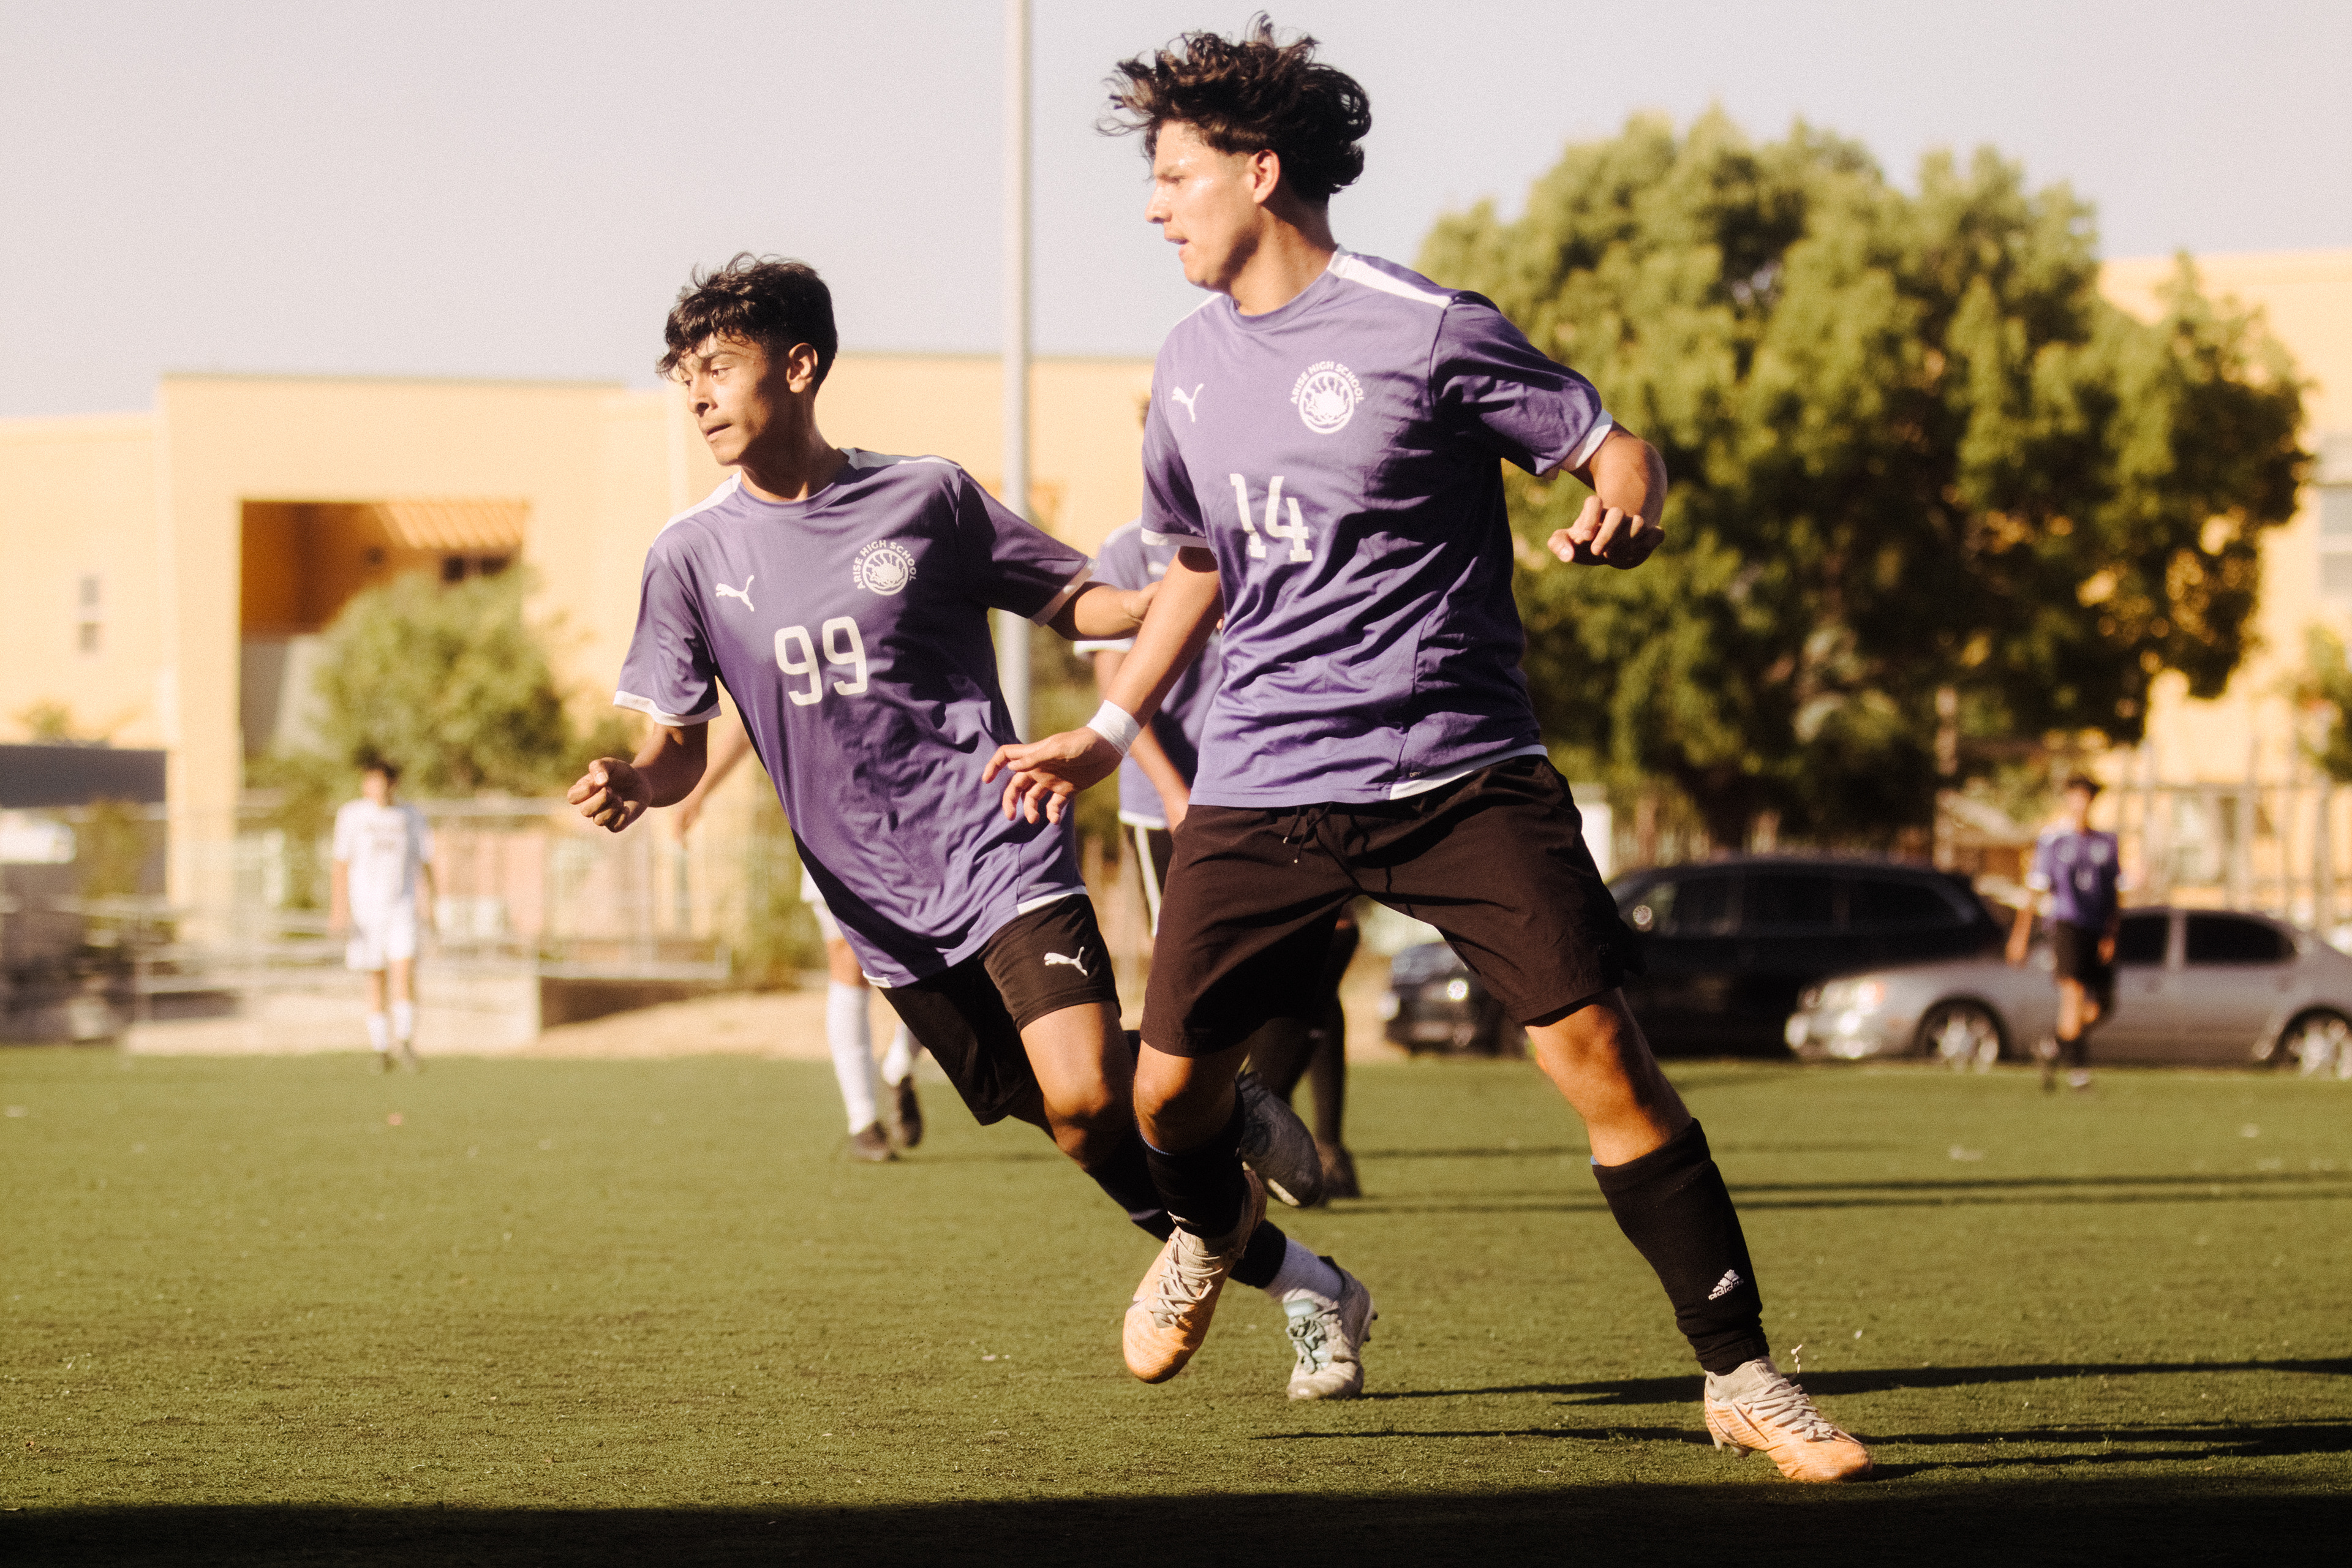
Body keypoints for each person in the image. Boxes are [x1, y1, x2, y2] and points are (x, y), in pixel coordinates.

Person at [986, 21, 1871, 1479]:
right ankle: (1211, 1229)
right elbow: (1198, 562)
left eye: (1174, 175)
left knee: (1603, 1061)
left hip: (1457, 771)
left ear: (1258, 172)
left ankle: (1743, 1374)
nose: (1152, 207)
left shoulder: (1427, 328)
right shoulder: (1187, 364)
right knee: (1163, 1099)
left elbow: (1612, 443)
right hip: (1264, 780)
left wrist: (1631, 502)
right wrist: (1109, 726)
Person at [569, 254, 1368, 1400]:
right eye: (684, 375)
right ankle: (1307, 1279)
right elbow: (681, 744)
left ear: (799, 367)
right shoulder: (689, 555)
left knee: (1088, 1094)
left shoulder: (928, 498)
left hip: (999, 840)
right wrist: (636, 780)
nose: (698, 396)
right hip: (877, 906)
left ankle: (1205, 1115)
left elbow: (1075, 601)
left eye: (720, 367)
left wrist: (1171, 592)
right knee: (1082, 1132)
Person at [1077, 518, 1362, 1198]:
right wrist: (1174, 792)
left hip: (1273, 784)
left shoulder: (1268, 525)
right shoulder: (1127, 551)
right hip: (1173, 801)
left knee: (1327, 943)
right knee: (1196, 975)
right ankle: (1206, 1135)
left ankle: (1304, 1135)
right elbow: (1116, 690)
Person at [676, 721, 925, 1161]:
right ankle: (863, 1121)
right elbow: (747, 723)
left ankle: (899, 1067)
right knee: (847, 965)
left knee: (934, 966)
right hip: (830, 831)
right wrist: (700, 792)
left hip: (911, 826)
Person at [2009, 774, 2123, 1092]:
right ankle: (2079, 1074)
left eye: (2086, 797)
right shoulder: (2053, 841)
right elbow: (2035, 889)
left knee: (2099, 1008)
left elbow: (2114, 894)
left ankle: (2053, 1047)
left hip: (2096, 929)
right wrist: (2020, 935)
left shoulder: (2106, 843)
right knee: (2073, 996)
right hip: (2066, 926)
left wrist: (2111, 935)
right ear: (2068, 800)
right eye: (2075, 796)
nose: (2080, 803)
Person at [329, 757, 436, 1072]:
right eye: (369, 780)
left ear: (393, 784)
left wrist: (431, 905)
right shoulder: (352, 815)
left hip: (401, 908)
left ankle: (406, 1042)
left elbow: (425, 863)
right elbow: (341, 863)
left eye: (380, 781)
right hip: (365, 912)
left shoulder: (411, 816)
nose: (373, 787)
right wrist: (339, 909)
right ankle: (380, 1048)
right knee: (375, 975)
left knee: (404, 971)